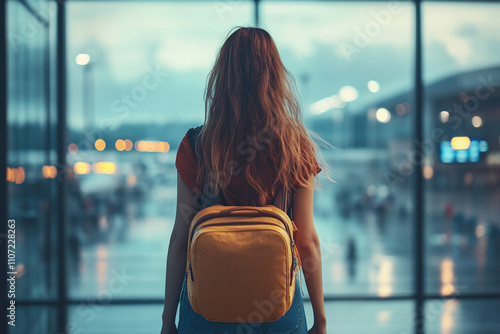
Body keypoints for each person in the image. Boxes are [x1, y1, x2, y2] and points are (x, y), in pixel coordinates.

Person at [161, 26, 329, 334]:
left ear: (221, 77)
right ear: (274, 76)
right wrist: (320, 319)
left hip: (206, 305)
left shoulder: (195, 145)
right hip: (277, 303)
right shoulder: (295, 145)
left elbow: (180, 238)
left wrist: (167, 319)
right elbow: (306, 241)